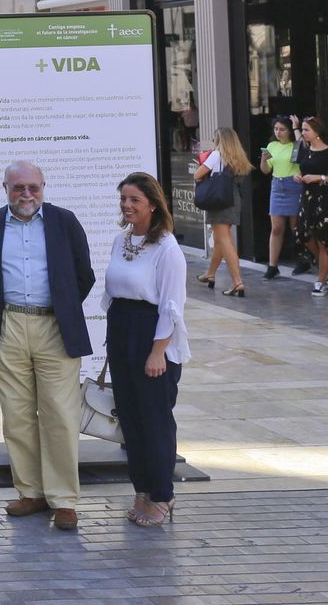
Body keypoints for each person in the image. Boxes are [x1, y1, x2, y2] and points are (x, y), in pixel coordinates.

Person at [0, 162, 94, 531]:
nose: (27, 195)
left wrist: (63, 310)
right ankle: (31, 492)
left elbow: (83, 275)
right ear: (5, 187)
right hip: (8, 326)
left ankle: (64, 500)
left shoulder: (64, 222)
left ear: (44, 187)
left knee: (59, 414)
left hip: (54, 327)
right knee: (17, 416)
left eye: (33, 188)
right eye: (18, 188)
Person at [105, 172, 189, 528]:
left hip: (152, 337)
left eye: (135, 200)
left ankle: (162, 494)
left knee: (154, 421)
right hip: (123, 333)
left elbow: (172, 305)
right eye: (124, 199)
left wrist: (157, 352)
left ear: (153, 204)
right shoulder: (120, 240)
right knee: (130, 420)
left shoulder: (167, 247)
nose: (127, 206)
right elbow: (113, 294)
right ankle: (142, 488)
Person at [195, 128, 253, 297]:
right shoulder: (238, 157)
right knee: (221, 238)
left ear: (219, 139)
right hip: (233, 198)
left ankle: (237, 282)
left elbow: (197, 175)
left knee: (225, 239)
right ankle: (210, 273)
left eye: (214, 138)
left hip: (218, 199)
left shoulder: (216, 155)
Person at [261, 115, 301, 280]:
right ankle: (272, 265)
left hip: (294, 185)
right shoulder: (272, 145)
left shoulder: (296, 145)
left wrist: (298, 127)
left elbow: (303, 147)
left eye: (282, 129)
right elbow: (265, 170)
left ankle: (303, 259)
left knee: (296, 228)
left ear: (290, 131)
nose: (278, 132)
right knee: (276, 228)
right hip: (277, 185)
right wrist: (263, 160)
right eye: (276, 129)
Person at [295, 116, 328, 296]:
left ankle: (321, 281)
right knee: (302, 232)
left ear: (317, 132)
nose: (304, 133)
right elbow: (302, 170)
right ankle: (324, 268)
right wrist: (298, 177)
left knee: (324, 241)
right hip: (307, 198)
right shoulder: (305, 151)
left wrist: (319, 178)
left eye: (306, 130)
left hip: (324, 199)